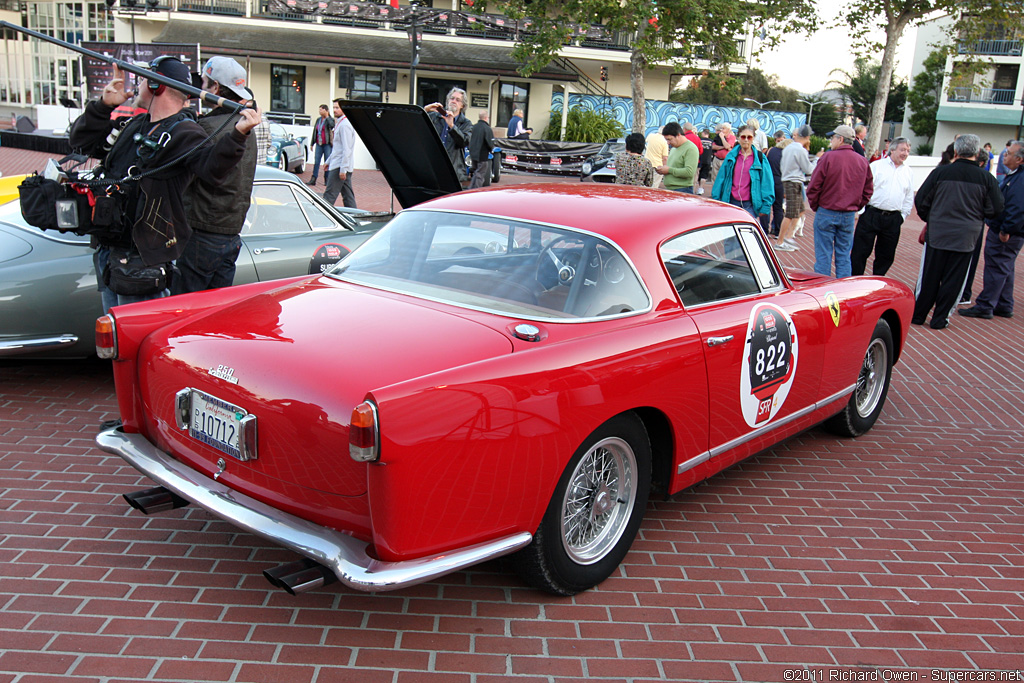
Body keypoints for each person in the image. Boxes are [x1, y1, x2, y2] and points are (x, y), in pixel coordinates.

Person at [68, 57, 259, 312]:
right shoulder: (135, 125)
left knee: (143, 339)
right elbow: (81, 143)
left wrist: (238, 135)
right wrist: (103, 107)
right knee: (116, 339)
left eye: (143, 79)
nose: (137, 86)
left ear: (157, 86)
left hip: (142, 262)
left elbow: (212, 168)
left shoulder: (186, 132)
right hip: (112, 251)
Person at [175, 56, 259, 295]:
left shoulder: (210, 127)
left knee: (185, 309)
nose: (200, 87)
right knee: (213, 308)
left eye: (204, 82)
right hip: (230, 232)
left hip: (203, 231)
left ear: (215, 88)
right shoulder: (244, 124)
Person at [912, 134, 1003, 330]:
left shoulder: (941, 173)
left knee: (929, 275)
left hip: (938, 233)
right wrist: (978, 216)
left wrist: (932, 218)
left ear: (956, 152)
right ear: (977, 153)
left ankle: (918, 315)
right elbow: (996, 208)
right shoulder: (986, 178)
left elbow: (921, 200)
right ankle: (940, 318)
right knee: (955, 279)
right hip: (966, 236)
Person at [959, 140, 1024, 320]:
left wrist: (1005, 229)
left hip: (1006, 233)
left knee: (997, 267)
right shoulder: (1015, 175)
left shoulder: (1020, 179)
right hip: (1007, 230)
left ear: (1019, 159)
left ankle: (985, 304)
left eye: (1009, 153)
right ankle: (1003, 303)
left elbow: (1017, 208)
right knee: (1005, 268)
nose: (1005, 155)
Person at [805, 125, 873, 277]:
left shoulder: (828, 158)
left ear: (840, 139)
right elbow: (868, 191)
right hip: (848, 213)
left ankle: (822, 288)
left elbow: (814, 186)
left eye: (833, 137)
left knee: (824, 255)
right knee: (843, 256)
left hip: (827, 211)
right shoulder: (862, 161)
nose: (831, 141)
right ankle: (843, 291)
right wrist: (856, 205)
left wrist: (817, 205)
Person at [850, 137, 914, 276]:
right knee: (860, 251)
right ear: (892, 149)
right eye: (902, 149)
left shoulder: (908, 172)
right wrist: (861, 211)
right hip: (872, 214)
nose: (905, 153)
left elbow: (909, 196)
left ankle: (878, 280)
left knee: (886, 255)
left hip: (893, 218)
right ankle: (856, 279)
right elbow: (862, 188)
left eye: (908, 151)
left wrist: (902, 216)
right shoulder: (876, 166)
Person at [711, 123, 774, 220]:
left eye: (749, 137)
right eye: (743, 137)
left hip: (750, 205)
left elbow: (767, 182)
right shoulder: (731, 157)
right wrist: (715, 199)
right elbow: (721, 178)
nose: (746, 140)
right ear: (738, 138)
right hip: (731, 203)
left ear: (753, 138)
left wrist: (766, 205)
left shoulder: (760, 158)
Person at [775, 124, 819, 251]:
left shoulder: (788, 148)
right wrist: (817, 159)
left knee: (799, 210)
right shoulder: (800, 150)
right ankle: (781, 241)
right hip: (794, 182)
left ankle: (788, 238)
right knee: (791, 213)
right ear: (807, 136)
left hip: (788, 180)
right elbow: (808, 169)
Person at [425, 88, 474, 183]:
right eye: (452, 98)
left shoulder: (466, 123)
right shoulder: (435, 117)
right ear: (447, 101)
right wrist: (425, 109)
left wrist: (452, 126)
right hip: (433, 170)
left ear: (462, 105)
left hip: (453, 173)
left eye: (458, 100)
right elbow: (416, 124)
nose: (454, 101)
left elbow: (464, 142)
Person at [323, 98, 356, 208]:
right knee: (347, 195)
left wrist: (343, 169)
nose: (335, 110)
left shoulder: (344, 125)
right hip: (339, 164)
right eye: (334, 108)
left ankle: (322, 216)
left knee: (329, 195)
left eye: (337, 108)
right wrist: (328, 161)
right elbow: (338, 148)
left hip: (340, 166)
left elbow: (347, 149)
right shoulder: (340, 123)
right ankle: (355, 216)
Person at [656, 121, 699, 193]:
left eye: (669, 139)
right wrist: (663, 170)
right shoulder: (674, 148)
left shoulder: (691, 148)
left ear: (678, 135)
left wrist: (669, 170)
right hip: (671, 189)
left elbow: (689, 172)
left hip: (682, 189)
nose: (668, 143)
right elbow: (673, 167)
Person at [764, 130, 787, 238]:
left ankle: (764, 229)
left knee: (767, 205)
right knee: (778, 207)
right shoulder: (786, 153)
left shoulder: (771, 150)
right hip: (780, 181)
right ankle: (777, 231)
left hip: (769, 179)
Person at [307, 104, 334, 186]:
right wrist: (312, 143)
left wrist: (327, 117)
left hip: (327, 144)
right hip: (319, 143)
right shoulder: (318, 120)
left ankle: (327, 179)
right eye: (319, 110)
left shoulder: (330, 119)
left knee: (327, 162)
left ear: (326, 110)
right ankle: (313, 178)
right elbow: (315, 131)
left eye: (321, 110)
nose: (320, 112)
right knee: (316, 162)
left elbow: (332, 126)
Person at [468, 110, 495, 189]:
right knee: (480, 174)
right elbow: (490, 142)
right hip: (482, 154)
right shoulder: (487, 128)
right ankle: (476, 190)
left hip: (473, 154)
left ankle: (471, 189)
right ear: (486, 118)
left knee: (476, 172)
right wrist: (491, 149)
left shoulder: (473, 127)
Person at [709, 122, 734, 187]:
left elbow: (728, 146)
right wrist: (723, 147)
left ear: (728, 130)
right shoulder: (717, 136)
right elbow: (713, 147)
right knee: (714, 177)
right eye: (721, 128)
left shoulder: (731, 137)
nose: (721, 130)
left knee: (723, 177)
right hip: (716, 159)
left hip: (725, 160)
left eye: (723, 128)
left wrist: (722, 138)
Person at [682, 122, 702, 192]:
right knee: (694, 178)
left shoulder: (684, 138)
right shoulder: (697, 138)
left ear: (684, 129)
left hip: (684, 162)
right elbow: (701, 150)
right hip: (696, 161)